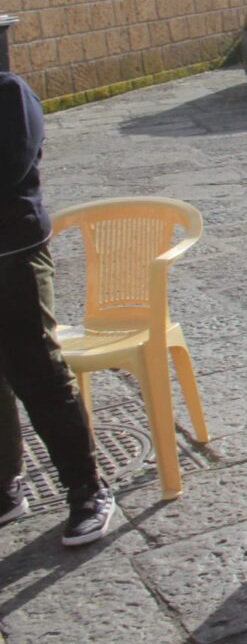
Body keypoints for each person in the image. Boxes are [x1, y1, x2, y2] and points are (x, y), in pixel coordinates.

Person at [0, 70, 116, 546]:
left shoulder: (9, 93)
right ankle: (7, 487)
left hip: (12, 256)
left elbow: (9, 166)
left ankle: (88, 490)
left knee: (39, 374)